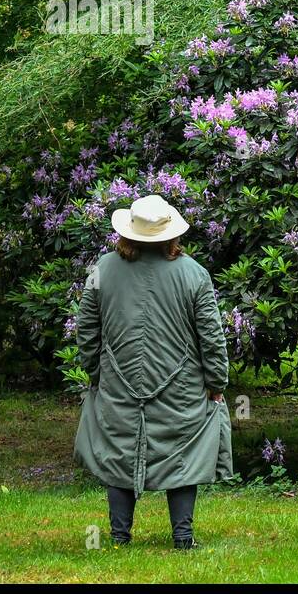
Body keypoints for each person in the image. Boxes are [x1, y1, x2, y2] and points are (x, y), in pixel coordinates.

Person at [74, 194, 233, 549]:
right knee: (183, 452)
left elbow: (87, 329)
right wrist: (216, 383)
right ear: (171, 234)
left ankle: (118, 537)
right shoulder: (194, 274)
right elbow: (211, 336)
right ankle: (183, 537)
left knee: (119, 450)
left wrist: (94, 372)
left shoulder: (102, 269)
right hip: (182, 385)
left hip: (118, 381)